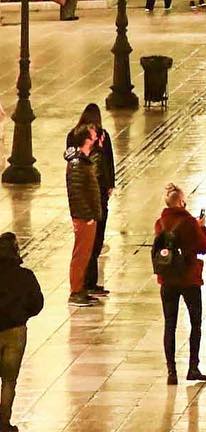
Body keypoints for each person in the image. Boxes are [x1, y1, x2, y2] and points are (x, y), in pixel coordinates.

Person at [154, 184, 206, 383]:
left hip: (167, 280)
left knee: (170, 325)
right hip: (189, 279)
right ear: (181, 202)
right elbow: (203, 246)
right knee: (195, 323)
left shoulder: (160, 223)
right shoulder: (189, 223)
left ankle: (171, 372)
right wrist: (202, 227)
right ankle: (193, 366)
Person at [0, 232, 43, 432]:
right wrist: (22, 314)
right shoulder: (25, 276)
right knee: (9, 381)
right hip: (16, 332)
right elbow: (37, 304)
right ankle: (3, 423)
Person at [78, 103, 114, 296]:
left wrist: (110, 183)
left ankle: (92, 281)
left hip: (100, 191)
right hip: (89, 193)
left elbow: (109, 160)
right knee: (89, 240)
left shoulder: (103, 135)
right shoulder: (76, 137)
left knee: (98, 238)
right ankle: (86, 282)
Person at [63, 126, 102, 307]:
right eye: (93, 134)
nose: (96, 135)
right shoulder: (78, 163)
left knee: (86, 254)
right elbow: (77, 193)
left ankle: (81, 288)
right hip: (84, 217)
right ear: (87, 139)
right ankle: (76, 290)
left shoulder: (83, 160)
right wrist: (88, 216)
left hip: (88, 216)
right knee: (80, 255)